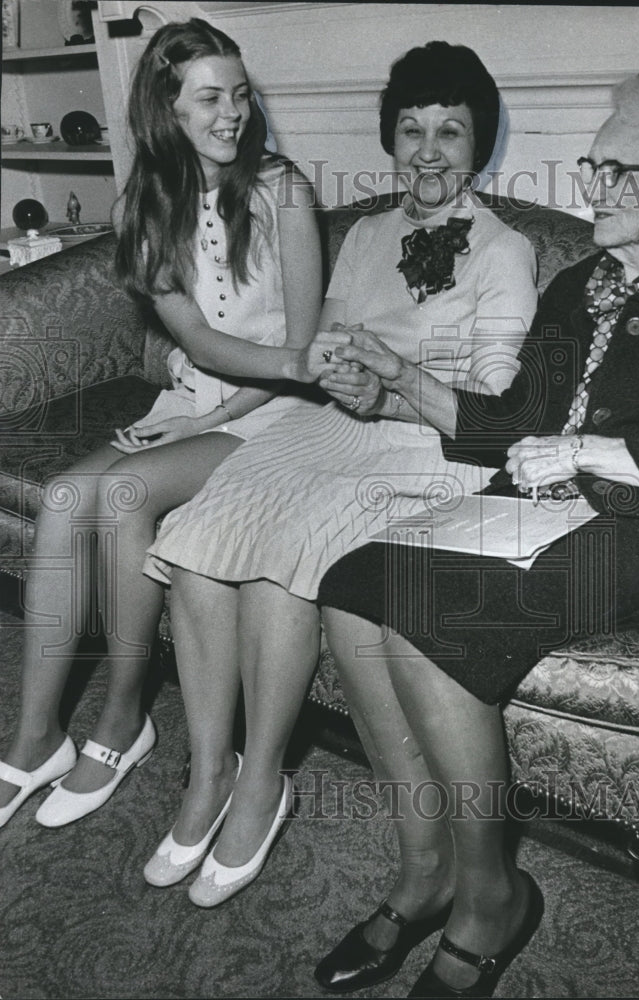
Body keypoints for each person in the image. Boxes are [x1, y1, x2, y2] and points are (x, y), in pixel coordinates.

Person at [314, 69, 639, 997]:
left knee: (432, 625)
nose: (595, 186)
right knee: (347, 590)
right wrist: (395, 381)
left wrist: (584, 448)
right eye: (594, 164)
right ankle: (425, 872)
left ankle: (491, 898)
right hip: (534, 506)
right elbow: (511, 422)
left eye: (623, 168)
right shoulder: (579, 284)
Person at [141, 41, 538, 905]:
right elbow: (321, 344)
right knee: (202, 531)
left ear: (481, 146)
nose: (427, 150)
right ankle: (210, 771)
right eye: (410, 129)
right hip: (333, 424)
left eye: (451, 132)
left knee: (289, 552)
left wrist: (390, 388)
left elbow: (494, 404)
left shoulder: (505, 249)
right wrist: (337, 371)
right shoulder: (364, 232)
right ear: (389, 138)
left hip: (428, 448)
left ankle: (262, 782)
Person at [0, 18, 343, 830]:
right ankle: (32, 741)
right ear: (168, 110)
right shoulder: (149, 203)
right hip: (192, 400)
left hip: (277, 409)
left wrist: (218, 413)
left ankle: (122, 723)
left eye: (241, 94)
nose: (233, 113)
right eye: (210, 98)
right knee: (60, 503)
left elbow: (300, 354)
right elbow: (192, 339)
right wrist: (189, 414)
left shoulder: (284, 190)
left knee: (120, 495)